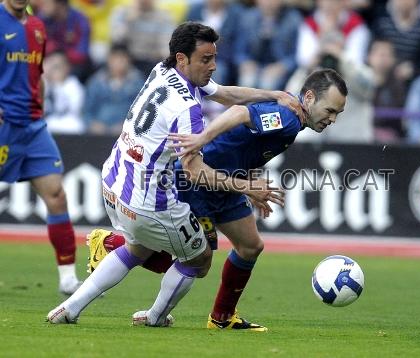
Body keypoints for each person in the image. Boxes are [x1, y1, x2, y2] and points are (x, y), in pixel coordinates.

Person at [46, 21, 302, 326]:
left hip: (113, 183)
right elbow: (195, 173)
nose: (213, 66)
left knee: (137, 248)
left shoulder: (161, 70)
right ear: (183, 58)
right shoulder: (187, 109)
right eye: (206, 59)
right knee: (200, 257)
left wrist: (273, 95)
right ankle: (155, 317)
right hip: (148, 201)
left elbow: (223, 94)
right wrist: (247, 187)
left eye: (214, 58)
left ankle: (71, 307)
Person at [87, 68, 347, 331]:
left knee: (250, 246)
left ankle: (222, 317)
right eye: (330, 111)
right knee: (195, 259)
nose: (333, 119)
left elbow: (246, 141)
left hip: (228, 184)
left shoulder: (291, 114)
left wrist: (249, 185)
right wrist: (202, 138)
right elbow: (239, 113)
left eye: (338, 114)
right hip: (201, 181)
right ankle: (111, 245)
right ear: (310, 97)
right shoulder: (288, 117)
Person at [0, 0, 81, 295]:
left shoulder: (36, 27)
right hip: (3, 122)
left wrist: (41, 111)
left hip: (33, 126)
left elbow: (38, 74)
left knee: (56, 195)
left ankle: (67, 278)